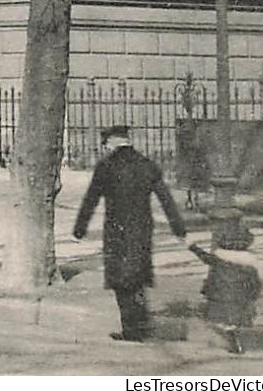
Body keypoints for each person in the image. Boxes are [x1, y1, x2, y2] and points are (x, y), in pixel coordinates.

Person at [73, 124, 187, 342]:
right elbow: (166, 199)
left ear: (112, 142)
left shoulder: (106, 166)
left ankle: (131, 329)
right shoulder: (147, 165)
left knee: (120, 280)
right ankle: (140, 325)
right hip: (142, 228)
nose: (105, 148)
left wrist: (80, 229)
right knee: (138, 275)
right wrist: (178, 228)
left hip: (116, 230)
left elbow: (91, 199)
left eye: (105, 144)